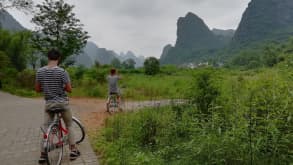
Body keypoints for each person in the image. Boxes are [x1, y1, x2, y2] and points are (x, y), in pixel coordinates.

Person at [35, 49, 80, 163]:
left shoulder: (40, 71)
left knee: (46, 129)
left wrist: (47, 88)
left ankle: (43, 155)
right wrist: (62, 87)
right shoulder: (62, 72)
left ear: (48, 57)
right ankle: (73, 150)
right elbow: (69, 89)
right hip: (62, 103)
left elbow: (37, 89)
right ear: (58, 58)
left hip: (49, 104)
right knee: (69, 125)